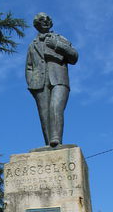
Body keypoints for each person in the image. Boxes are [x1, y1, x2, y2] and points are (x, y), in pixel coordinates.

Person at [25, 12, 78, 147]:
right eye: (42, 19)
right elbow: (29, 66)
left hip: (59, 79)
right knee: (44, 114)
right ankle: (49, 143)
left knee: (55, 107)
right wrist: (31, 82)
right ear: (36, 24)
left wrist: (56, 45)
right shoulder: (32, 45)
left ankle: (56, 139)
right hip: (39, 83)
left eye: (48, 19)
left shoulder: (59, 38)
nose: (45, 21)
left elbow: (74, 57)